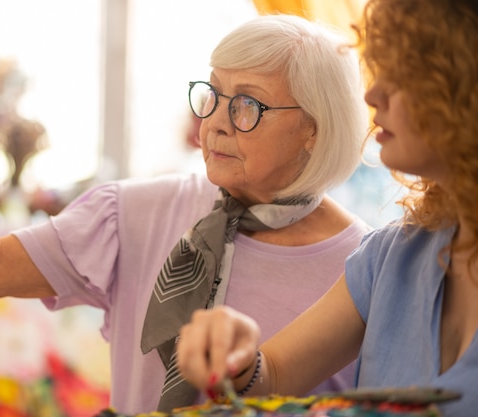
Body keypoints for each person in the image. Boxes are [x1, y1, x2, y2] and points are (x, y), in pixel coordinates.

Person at [0, 13, 369, 414]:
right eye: (213, 95)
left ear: (314, 128)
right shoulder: (133, 212)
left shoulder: (367, 267)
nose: (216, 122)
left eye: (247, 105)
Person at [175, 1, 478, 416]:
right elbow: (275, 374)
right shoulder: (389, 255)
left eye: (406, 72)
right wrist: (240, 359)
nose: (373, 93)